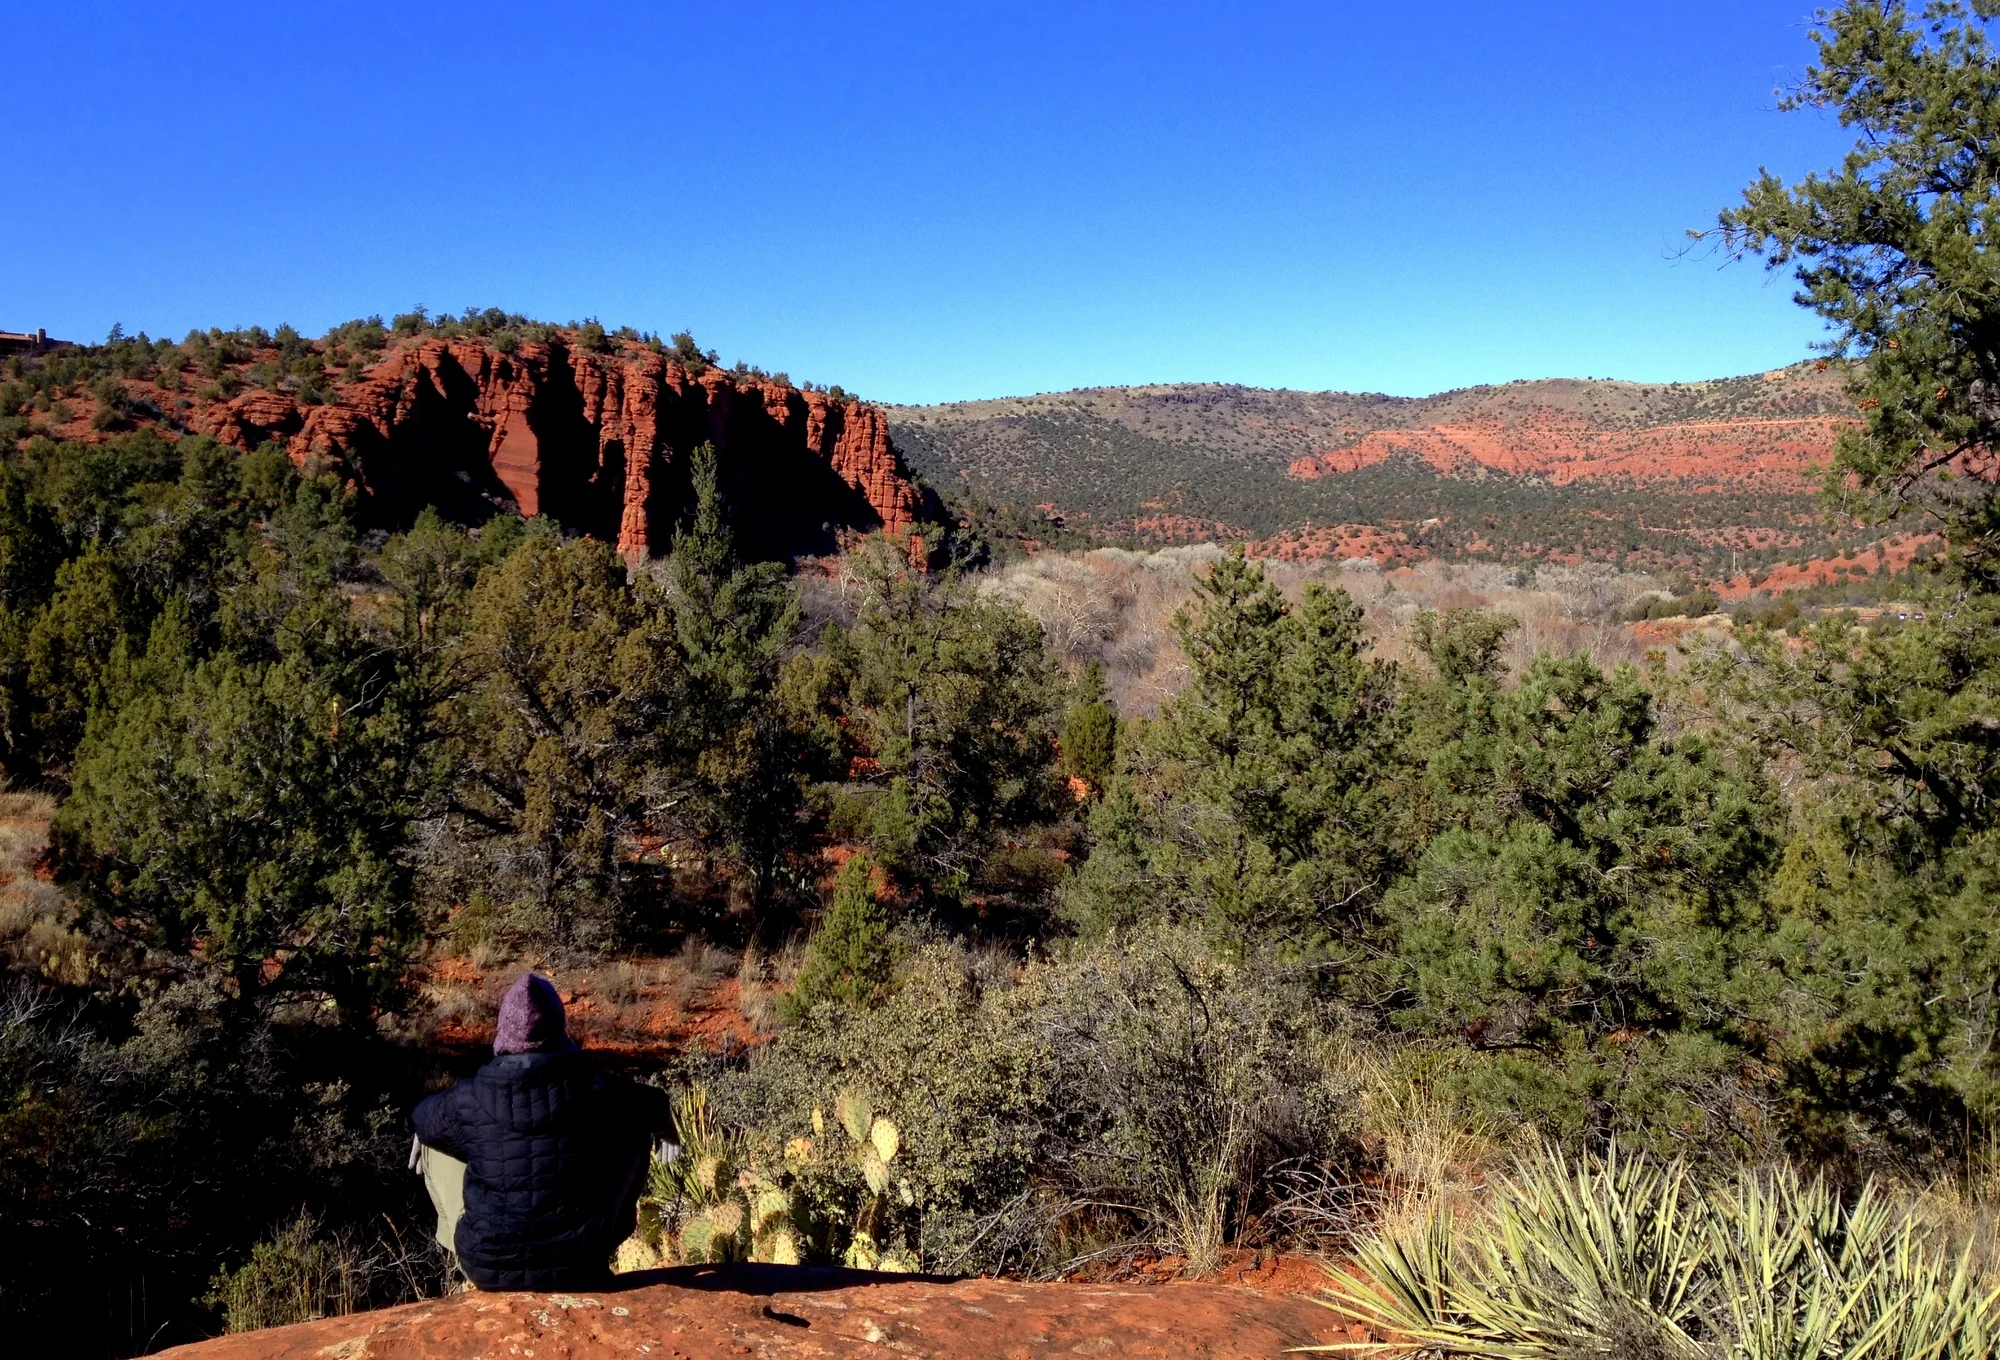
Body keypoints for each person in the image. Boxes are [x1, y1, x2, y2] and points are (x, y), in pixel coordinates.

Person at [412, 971, 675, 1291]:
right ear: (559, 1029)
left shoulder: (469, 1097)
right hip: (581, 1262)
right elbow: (652, 1102)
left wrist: (424, 1131)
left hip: (489, 1267)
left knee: (431, 1136)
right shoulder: (595, 1088)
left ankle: (458, 1256)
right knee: (636, 1128)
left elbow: (422, 1115)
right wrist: (664, 1128)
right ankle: (612, 1227)